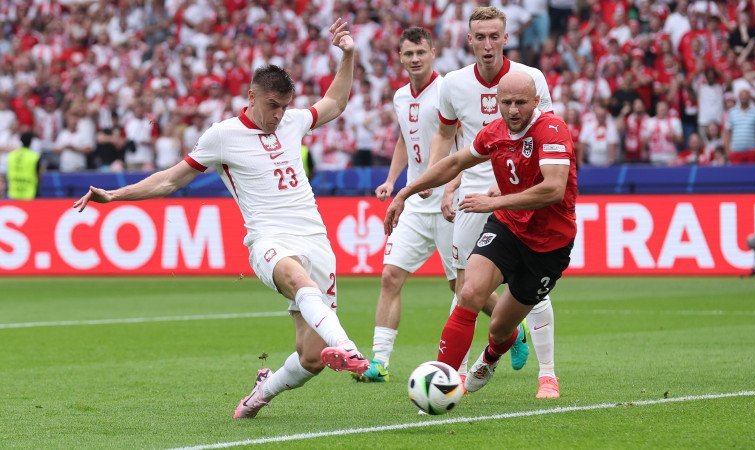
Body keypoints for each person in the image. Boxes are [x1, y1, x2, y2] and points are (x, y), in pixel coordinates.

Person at [72, 19, 369, 420]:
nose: (279, 115)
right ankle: (351, 350)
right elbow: (170, 180)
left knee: (312, 358)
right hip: (268, 240)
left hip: (316, 239)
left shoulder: (294, 121)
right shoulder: (222, 136)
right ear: (251, 96)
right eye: (272, 106)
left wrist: (349, 55)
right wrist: (115, 195)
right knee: (298, 280)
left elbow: (335, 103)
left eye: (284, 106)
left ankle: (262, 391)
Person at [385, 71, 576, 395]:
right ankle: (443, 382)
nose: (513, 110)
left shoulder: (552, 130)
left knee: (501, 328)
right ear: (497, 103)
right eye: (506, 103)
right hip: (507, 226)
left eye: (520, 103)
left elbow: (554, 189)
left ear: (535, 102)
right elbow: (454, 162)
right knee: (469, 291)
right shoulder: (495, 132)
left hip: (548, 243)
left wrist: (496, 201)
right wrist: (405, 191)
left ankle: (491, 355)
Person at [426, 6, 560, 399]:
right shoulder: (452, 84)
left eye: (493, 36)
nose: (487, 44)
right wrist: (447, 186)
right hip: (473, 196)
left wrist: (513, 192)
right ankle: (458, 374)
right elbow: (448, 138)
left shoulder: (529, 79)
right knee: (465, 287)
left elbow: (547, 135)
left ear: (505, 38)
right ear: (469, 40)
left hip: (518, 193)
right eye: (479, 37)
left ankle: (548, 374)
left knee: (532, 288)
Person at [353, 27, 457, 383]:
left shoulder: (448, 90)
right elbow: (404, 139)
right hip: (413, 200)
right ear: (400, 57)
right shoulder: (400, 97)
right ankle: (379, 362)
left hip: (449, 202)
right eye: (408, 54)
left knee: (462, 289)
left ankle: (512, 330)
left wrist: (448, 186)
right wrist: (391, 180)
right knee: (390, 276)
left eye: (421, 53)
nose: (415, 59)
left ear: (433, 53)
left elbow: (464, 143)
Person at [6, 131, 43, 200]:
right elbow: (39, 176)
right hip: (29, 193)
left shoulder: (11, 155)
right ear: (31, 142)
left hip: (13, 193)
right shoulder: (34, 156)